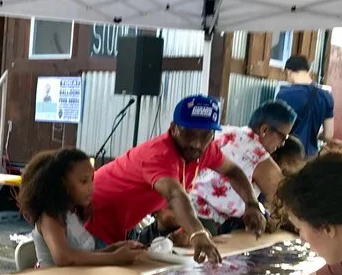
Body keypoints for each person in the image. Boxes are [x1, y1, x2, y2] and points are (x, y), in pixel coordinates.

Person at [85, 95, 267, 265]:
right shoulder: (160, 154)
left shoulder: (206, 149)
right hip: (92, 217)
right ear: (173, 128)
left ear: (213, 135)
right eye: (189, 134)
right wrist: (197, 231)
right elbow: (174, 194)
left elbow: (233, 171)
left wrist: (251, 204)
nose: (196, 143)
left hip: (121, 220)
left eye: (205, 136)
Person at [19, 148, 145, 268]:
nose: (91, 187)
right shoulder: (50, 217)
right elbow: (63, 257)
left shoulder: (70, 214)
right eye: (84, 181)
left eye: (92, 180)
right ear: (63, 183)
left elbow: (83, 255)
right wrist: (114, 258)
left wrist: (115, 248)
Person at [192, 99, 296, 234]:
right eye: (284, 137)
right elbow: (286, 204)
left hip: (184, 205)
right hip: (204, 221)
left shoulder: (226, 132)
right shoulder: (258, 156)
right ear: (264, 130)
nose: (282, 144)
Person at [276, 55, 334, 158]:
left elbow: (277, 127)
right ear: (308, 71)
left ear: (288, 72)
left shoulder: (284, 93)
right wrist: (314, 134)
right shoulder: (326, 96)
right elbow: (328, 135)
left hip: (287, 156)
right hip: (311, 157)